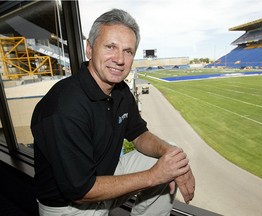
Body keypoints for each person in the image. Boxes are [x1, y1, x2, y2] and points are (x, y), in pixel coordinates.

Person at [31, 8, 195, 216]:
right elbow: (80, 190)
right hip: (69, 207)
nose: (120, 59)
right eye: (111, 47)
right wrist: (155, 176)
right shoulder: (64, 107)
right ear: (89, 49)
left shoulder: (120, 90)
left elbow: (138, 134)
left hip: (104, 178)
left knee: (170, 155)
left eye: (128, 51)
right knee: (162, 170)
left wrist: (173, 158)